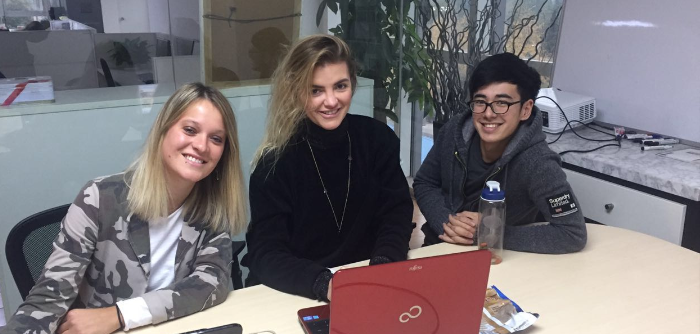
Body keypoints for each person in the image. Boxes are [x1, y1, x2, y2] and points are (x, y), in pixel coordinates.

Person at [1, 83, 248, 334]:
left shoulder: (213, 211)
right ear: (163, 130)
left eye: (216, 138)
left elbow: (210, 284)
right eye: (190, 129)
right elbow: (47, 300)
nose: (202, 146)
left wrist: (120, 315)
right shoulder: (98, 198)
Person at [243, 34, 413, 302]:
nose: (331, 101)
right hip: (297, 292)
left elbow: (396, 214)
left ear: (352, 85)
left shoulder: (377, 140)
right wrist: (326, 284)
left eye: (340, 86)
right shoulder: (273, 164)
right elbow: (266, 254)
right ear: (297, 91)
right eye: (316, 90)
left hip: (368, 284)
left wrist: (383, 266)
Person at [413, 53, 586, 254]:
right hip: (439, 247)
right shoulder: (454, 131)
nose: (488, 113)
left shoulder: (538, 163)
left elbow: (572, 233)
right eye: (480, 101)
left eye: (502, 103)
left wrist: (489, 233)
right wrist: (446, 221)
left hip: (499, 260)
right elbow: (425, 182)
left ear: (526, 109)